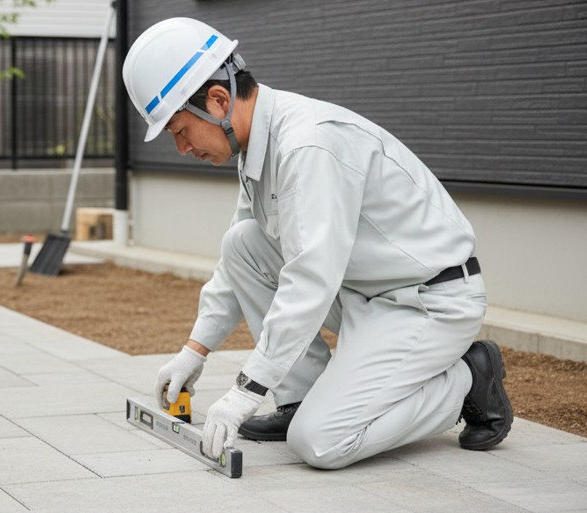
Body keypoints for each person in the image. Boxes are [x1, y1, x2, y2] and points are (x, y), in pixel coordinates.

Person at [122, 17, 513, 470]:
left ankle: (466, 379)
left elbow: (310, 277)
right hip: (365, 292)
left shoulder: (308, 145)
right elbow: (241, 266)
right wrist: (195, 350)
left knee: (321, 443)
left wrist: (246, 391)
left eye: (178, 130)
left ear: (218, 100)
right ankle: (300, 398)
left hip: (427, 302)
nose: (182, 148)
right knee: (242, 243)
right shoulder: (258, 148)